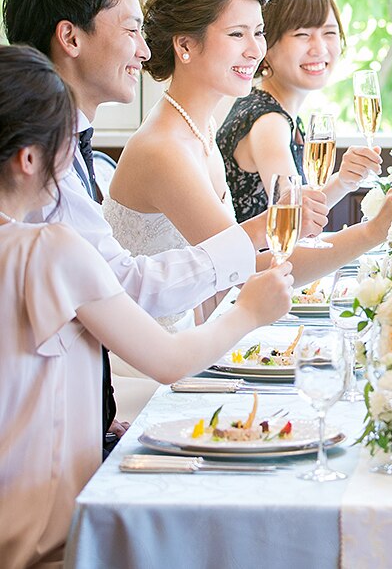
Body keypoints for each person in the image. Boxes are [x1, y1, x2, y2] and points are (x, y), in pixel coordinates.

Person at [1, 0, 327, 446]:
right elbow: (127, 288)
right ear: (70, 37)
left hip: (93, 399)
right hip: (61, 425)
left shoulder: (71, 148)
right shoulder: (42, 168)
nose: (145, 49)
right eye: (131, 30)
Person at [0, 44, 293, 569]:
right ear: (28, 160)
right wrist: (249, 311)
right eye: (66, 143)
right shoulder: (51, 249)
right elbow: (169, 360)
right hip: (44, 537)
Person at [107, 0, 392, 323]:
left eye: (259, 32)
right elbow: (247, 272)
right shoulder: (164, 148)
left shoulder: (198, 126)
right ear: (185, 46)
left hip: (200, 334)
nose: (255, 50)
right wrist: (371, 232)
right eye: (238, 34)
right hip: (153, 360)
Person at [217, 0, 379, 223]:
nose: (319, 48)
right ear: (267, 44)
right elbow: (293, 222)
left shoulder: (272, 108)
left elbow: (298, 207)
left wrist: (344, 180)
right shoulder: (269, 121)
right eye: (302, 35)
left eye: (329, 33)